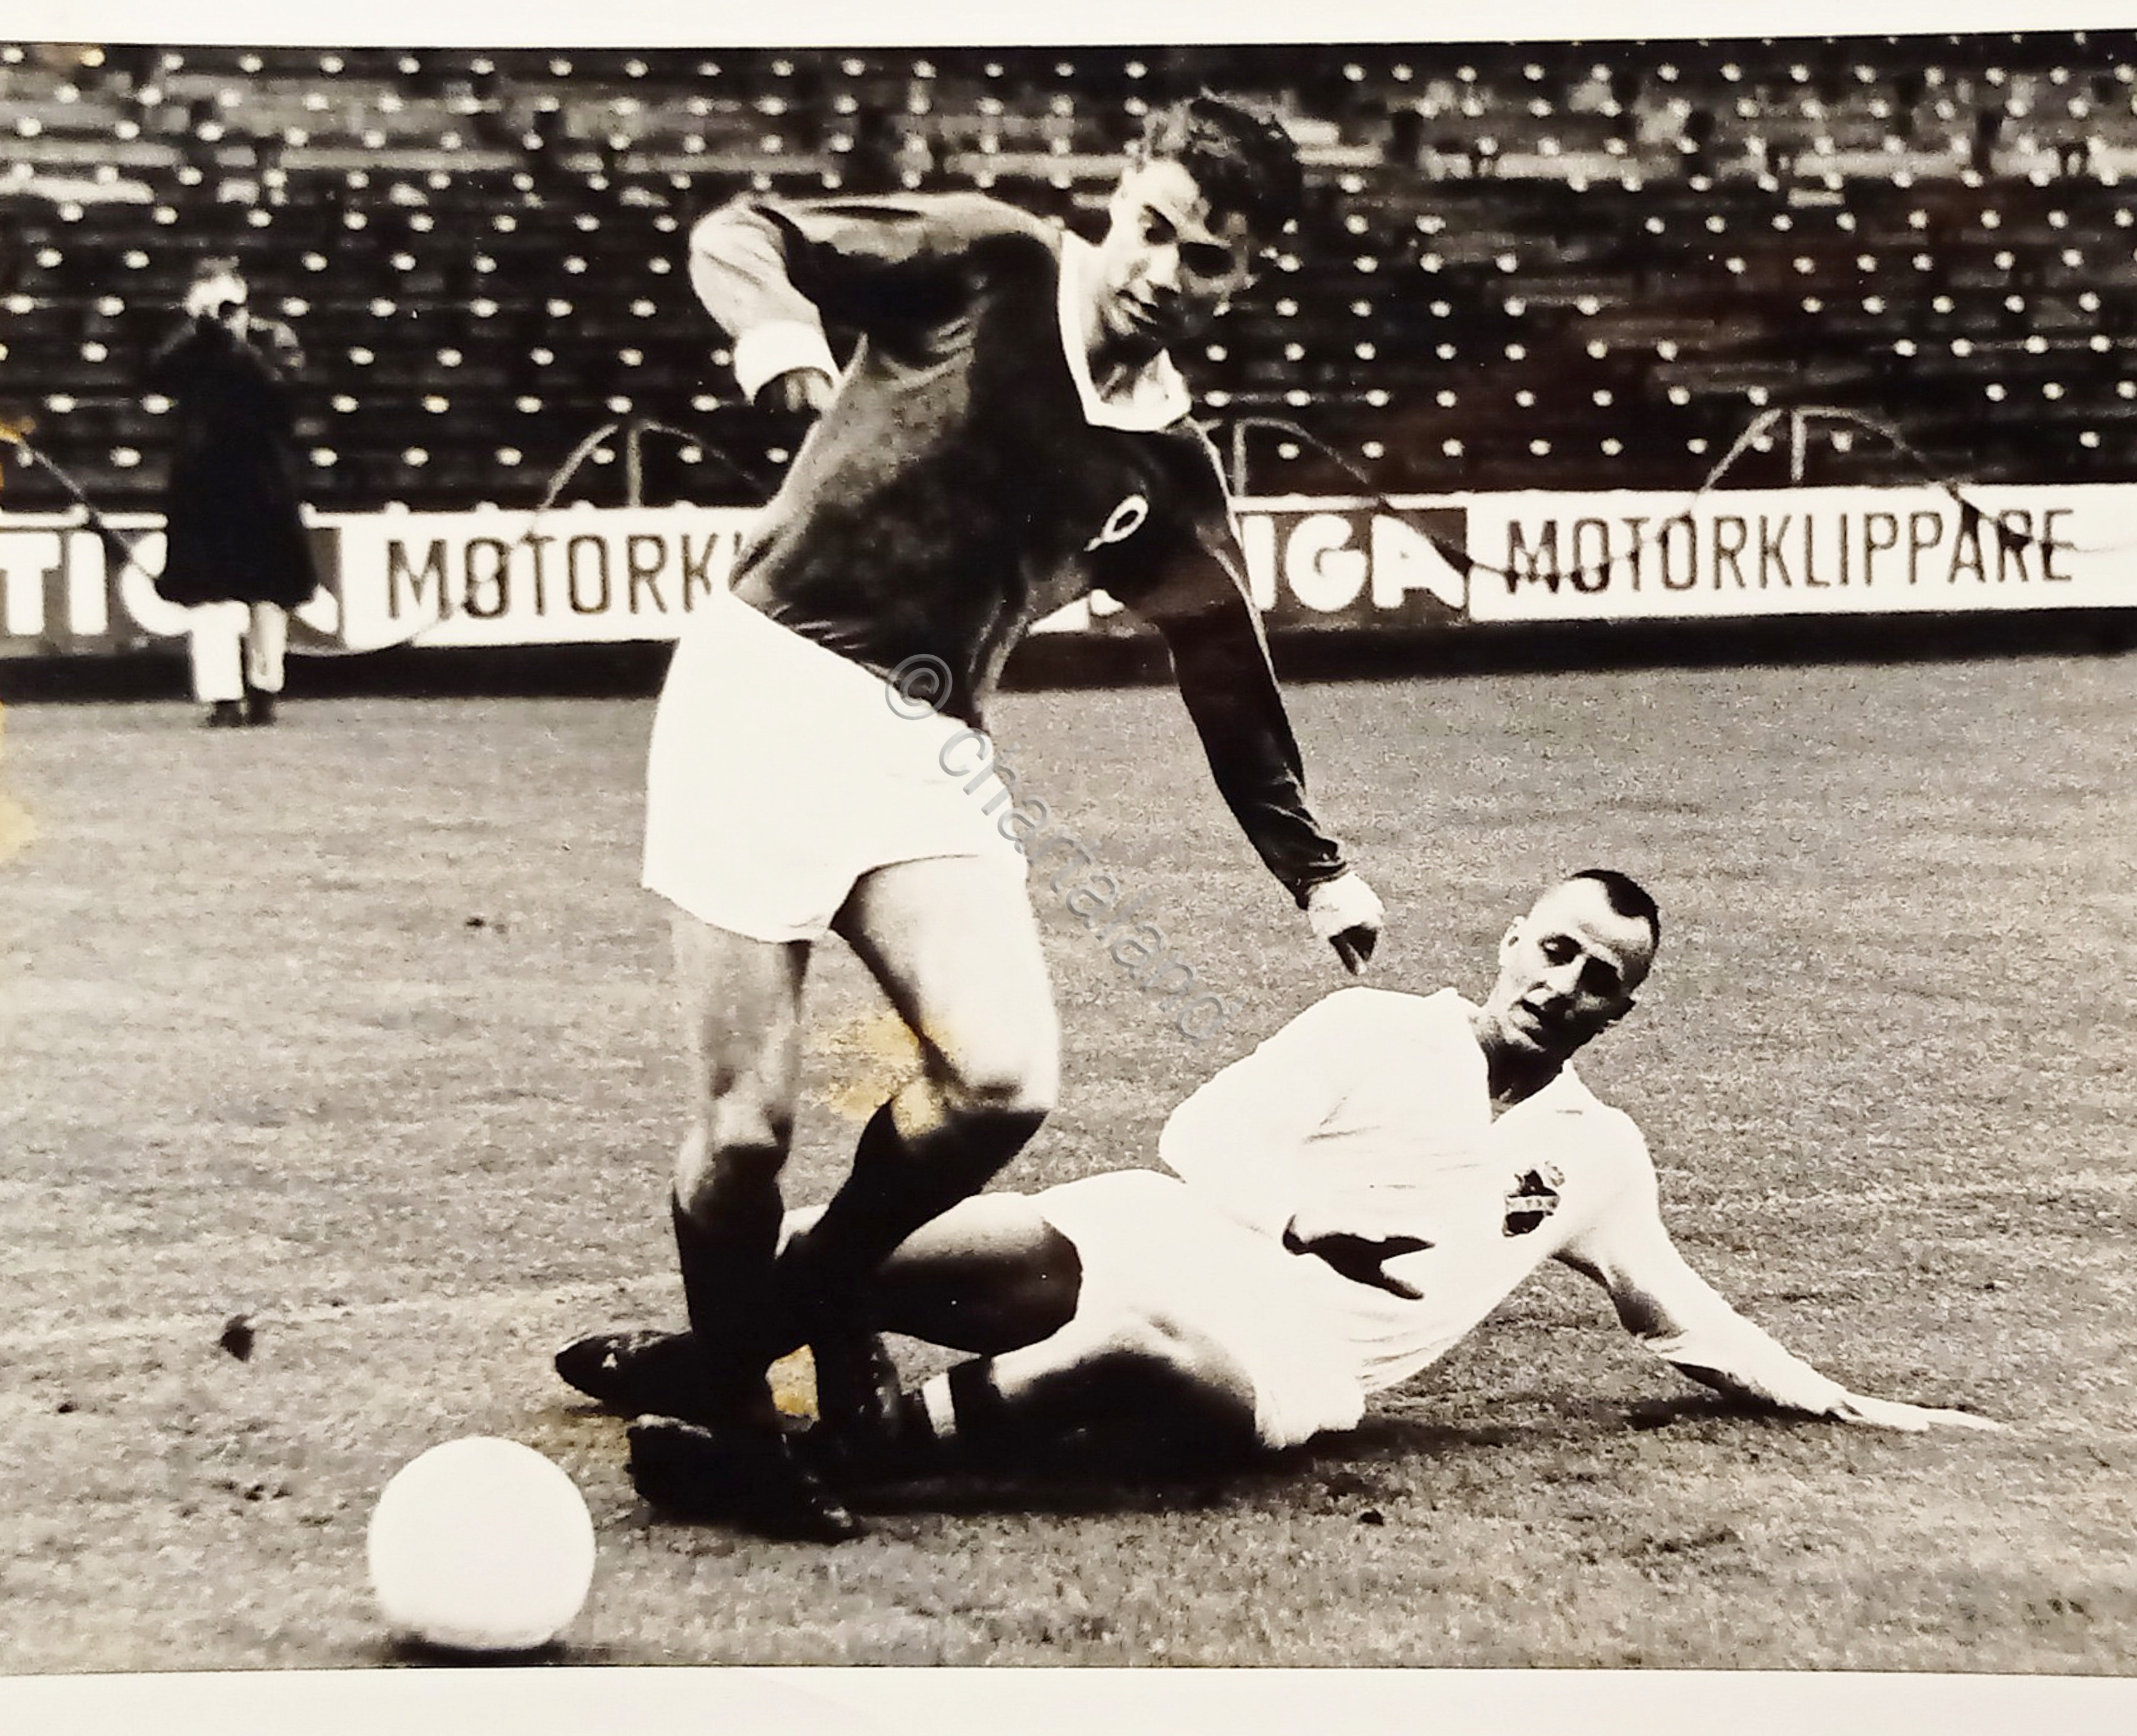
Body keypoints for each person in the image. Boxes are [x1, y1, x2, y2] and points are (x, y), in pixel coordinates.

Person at [582, 92, 1386, 1540]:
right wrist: (771, 329)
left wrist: (1312, 867)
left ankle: (755, 1326)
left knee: (1002, 1078)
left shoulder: (1164, 472)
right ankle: (738, 1428)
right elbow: (743, 229)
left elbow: (1219, 657)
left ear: (1243, 276)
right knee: (748, 1130)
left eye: (1203, 258)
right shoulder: (989, 262)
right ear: (1113, 199)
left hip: (918, 745)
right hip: (760, 687)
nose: (1160, 269)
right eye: (1149, 226)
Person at [570, 871, 1997, 1517]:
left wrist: (1853, 1402)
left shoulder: (1597, 1157)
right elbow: (1204, 1134)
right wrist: (1302, 1219)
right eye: (1556, 950)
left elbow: (1683, 1314)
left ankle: (833, 1454)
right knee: (829, 1241)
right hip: (1164, 1227)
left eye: (1601, 981)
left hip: (1281, 1354)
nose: (1565, 986)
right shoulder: (1377, 1027)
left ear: (1621, 1013)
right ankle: (706, 1361)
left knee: (1136, 1353)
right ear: (1512, 939)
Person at [149, 257, 318, 728]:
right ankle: (222, 696)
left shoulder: (273, 338)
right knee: (210, 594)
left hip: (263, 480)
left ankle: (266, 688)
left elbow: (282, 391)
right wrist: (198, 331)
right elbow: (156, 374)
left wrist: (236, 343)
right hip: (206, 482)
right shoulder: (191, 345)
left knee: (270, 596)